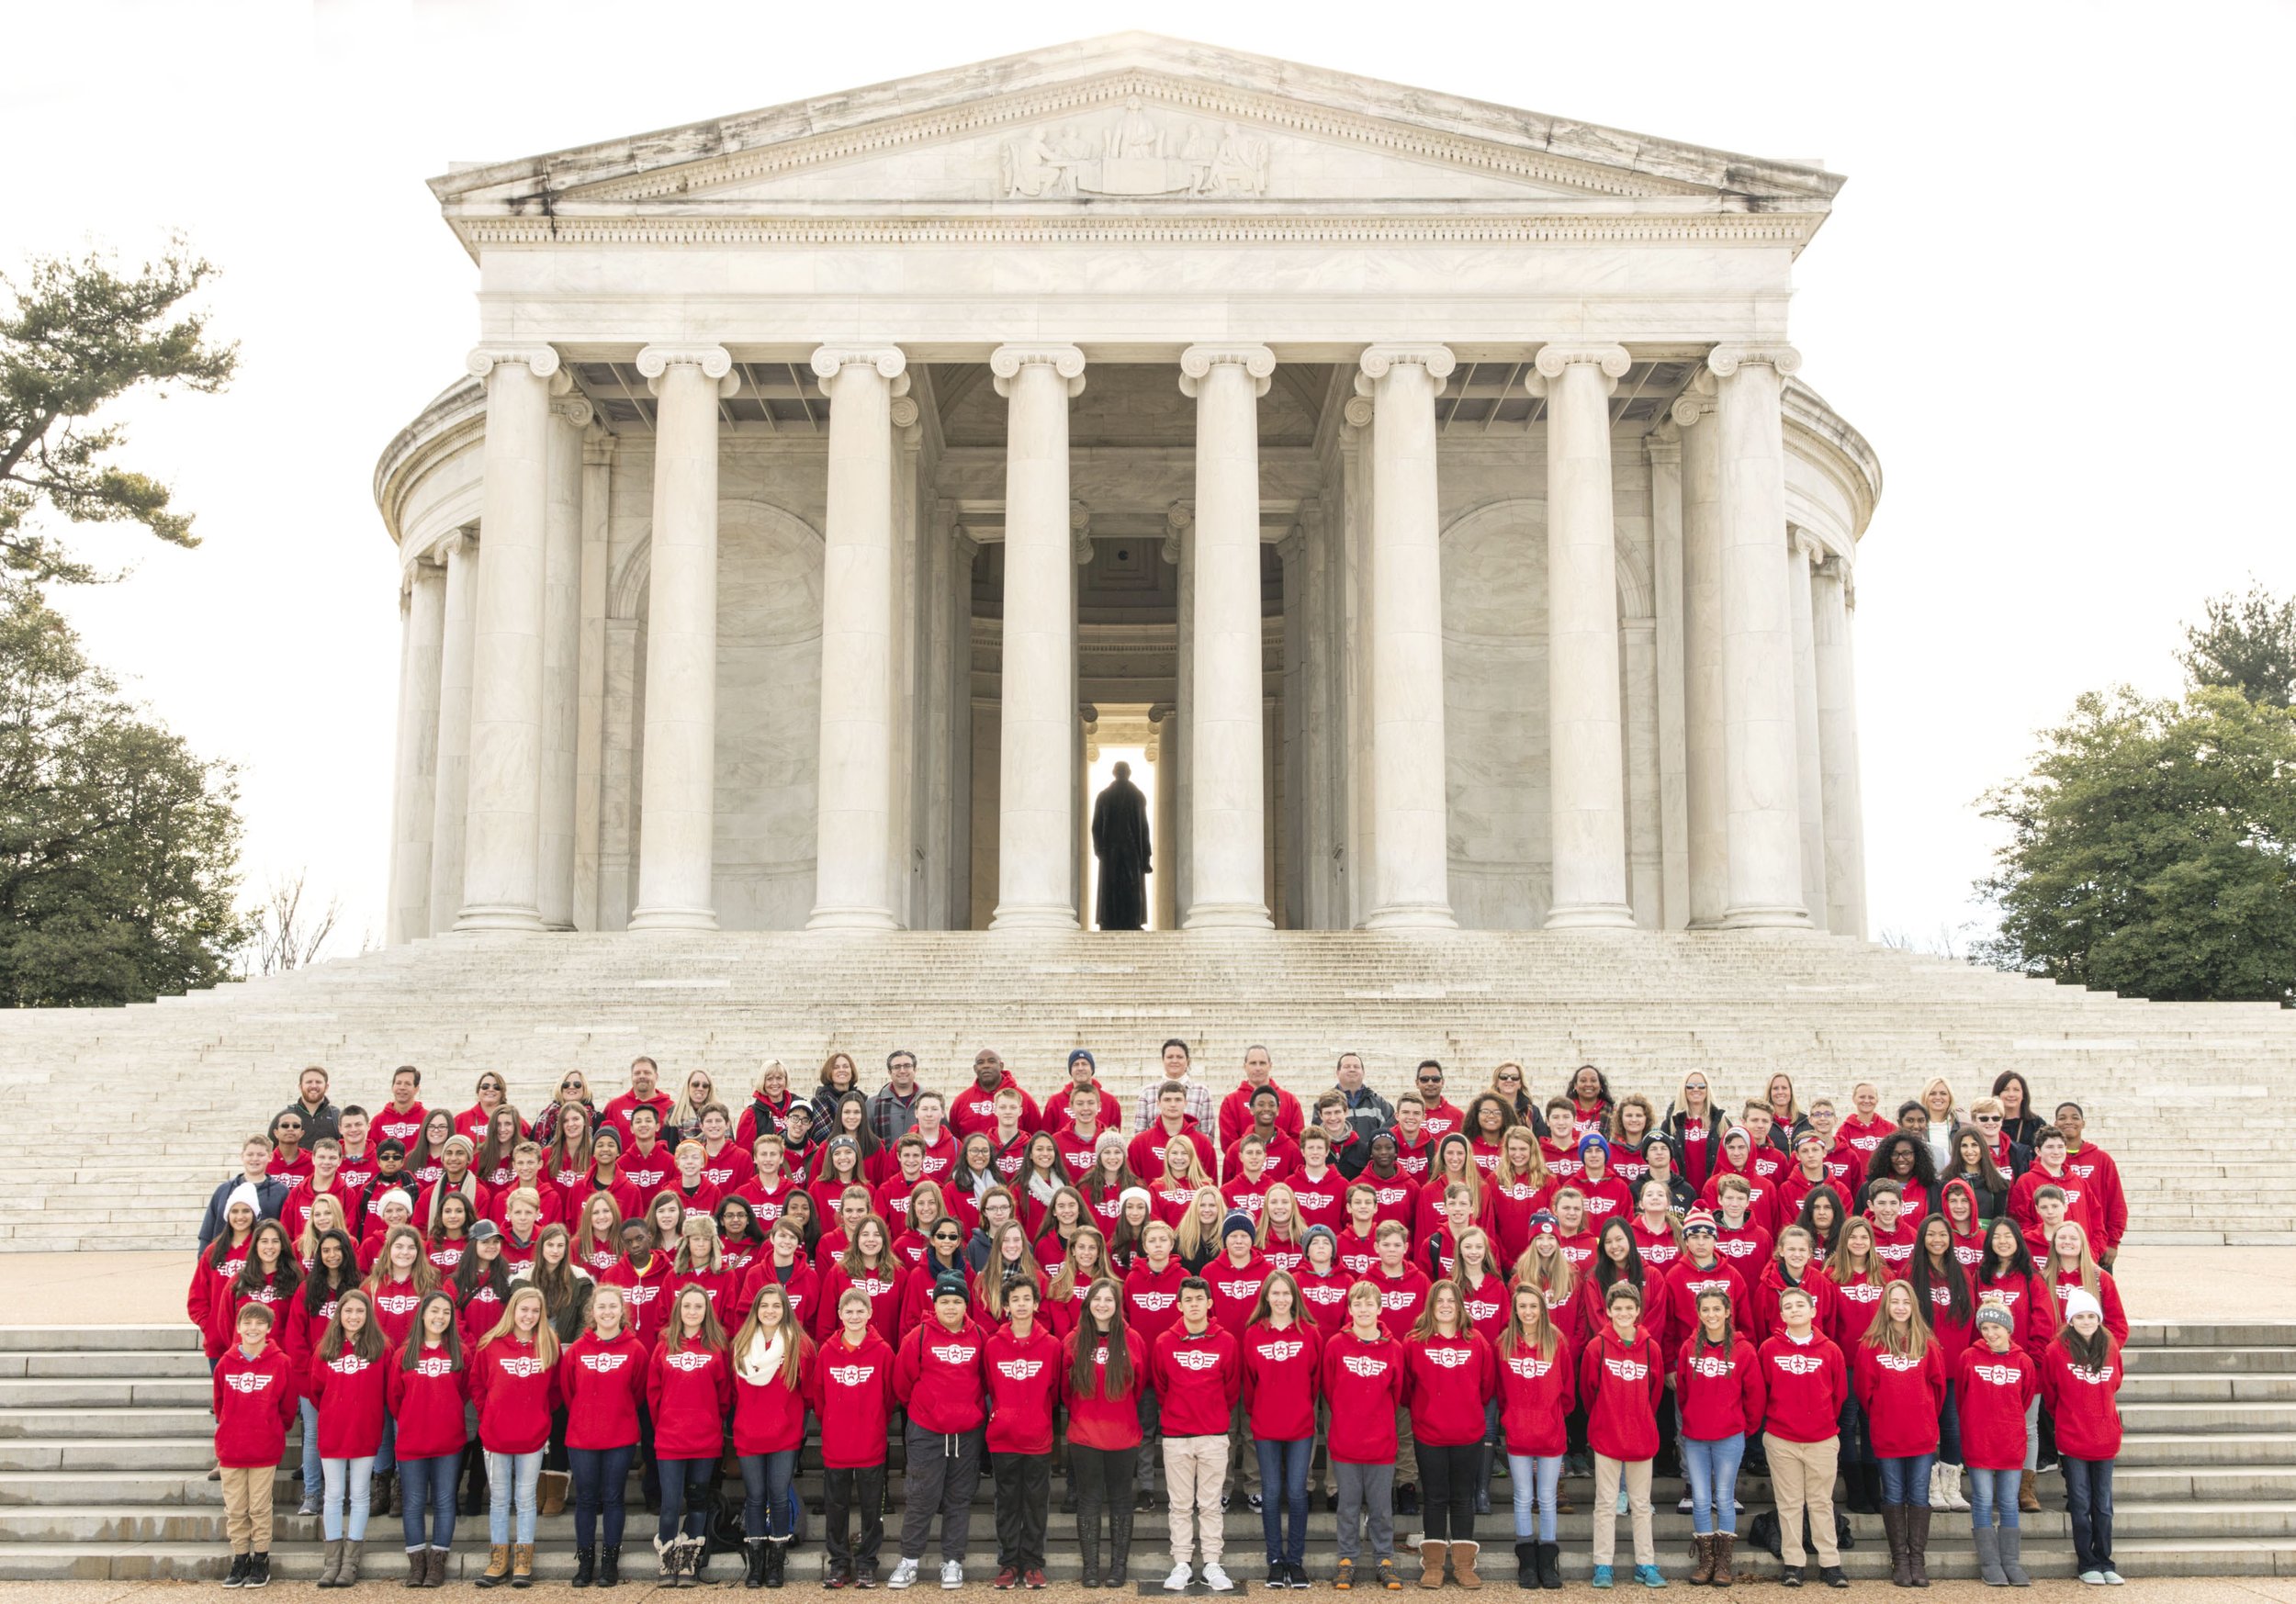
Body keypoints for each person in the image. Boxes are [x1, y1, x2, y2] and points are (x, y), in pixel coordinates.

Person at [889, 1276, 987, 1591]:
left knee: (959, 1499)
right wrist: (927, 1409)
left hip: (967, 1432)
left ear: (965, 1304)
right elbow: (903, 1384)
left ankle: (953, 1562)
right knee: (921, 1497)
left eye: (957, 1301)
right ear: (935, 1304)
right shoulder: (917, 1337)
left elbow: (986, 1380)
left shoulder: (980, 1336)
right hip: (927, 1429)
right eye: (945, 1301)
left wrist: (969, 1411)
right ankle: (909, 1561)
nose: (951, 1307)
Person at [1152, 1276, 1242, 1593]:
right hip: (1176, 1435)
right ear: (1179, 1305)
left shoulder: (1227, 1341)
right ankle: (1181, 1564)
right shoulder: (1164, 1342)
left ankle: (1212, 1563)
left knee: (1210, 1504)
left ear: (1209, 1303)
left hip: (1213, 1435)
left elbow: (1231, 1388)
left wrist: (1212, 1413)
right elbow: (1161, 1387)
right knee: (1179, 1505)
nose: (1193, 1304)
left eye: (1199, 1299)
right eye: (1188, 1299)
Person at [1405, 1280, 1497, 1587]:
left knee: (1462, 1498)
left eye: (1451, 1301)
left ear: (1460, 1306)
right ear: (1430, 1306)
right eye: (1439, 1301)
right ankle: (1432, 1565)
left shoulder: (1477, 1342)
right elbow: (1407, 1390)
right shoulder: (1415, 1342)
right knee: (1434, 1498)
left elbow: (1486, 1387)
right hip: (1429, 1434)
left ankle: (1463, 1565)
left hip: (1467, 1434)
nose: (1446, 1305)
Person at [1854, 1279, 1946, 1587]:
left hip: (1921, 1434)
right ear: (1885, 1305)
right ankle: (1900, 1558)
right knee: (1893, 1494)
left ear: (1914, 1306)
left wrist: (1924, 1415)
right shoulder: (1870, 1344)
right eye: (1895, 1301)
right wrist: (1882, 1413)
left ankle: (1917, 1558)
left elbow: (1938, 1387)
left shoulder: (1928, 1343)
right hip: (1887, 1433)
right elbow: (1864, 1390)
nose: (1900, 1307)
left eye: (1906, 1301)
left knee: (1919, 1495)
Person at [1760, 1282, 1850, 1589]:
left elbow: (1839, 1394)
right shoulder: (1769, 1349)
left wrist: (1822, 1424)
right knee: (1789, 1503)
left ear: (1813, 1310)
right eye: (1788, 1306)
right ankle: (1794, 1563)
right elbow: (1764, 1391)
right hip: (1782, 1438)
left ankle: (1830, 1563)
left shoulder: (1831, 1350)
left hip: (1822, 1439)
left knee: (1821, 1502)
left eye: (1800, 1305)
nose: (1794, 1310)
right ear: (1781, 1315)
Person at [558, 1282, 647, 1588]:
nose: (607, 1312)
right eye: (601, 1306)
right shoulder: (577, 1350)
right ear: (591, 1312)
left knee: (612, 1498)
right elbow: (569, 1391)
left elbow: (637, 1392)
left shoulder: (636, 1349)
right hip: (582, 1437)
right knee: (585, 1499)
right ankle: (585, 1562)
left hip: (619, 1436)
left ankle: (610, 1562)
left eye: (613, 1306)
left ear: (622, 1311)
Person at [469, 1285, 558, 1588]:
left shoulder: (548, 1343)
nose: (529, 1316)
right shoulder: (491, 1343)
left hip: (532, 1436)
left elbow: (556, 1391)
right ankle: (498, 1559)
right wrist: (489, 1414)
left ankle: (523, 1559)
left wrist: (540, 1414)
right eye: (524, 1309)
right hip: (496, 1436)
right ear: (513, 1310)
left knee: (525, 1498)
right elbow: (477, 1385)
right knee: (499, 1499)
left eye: (535, 1311)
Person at [1579, 1281, 1665, 1590]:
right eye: (1618, 1309)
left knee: (1641, 1504)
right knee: (1605, 1503)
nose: (1624, 1313)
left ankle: (1646, 1563)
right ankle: (1603, 1564)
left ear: (1638, 1311)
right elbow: (1589, 1392)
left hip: (1641, 1436)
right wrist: (1605, 1417)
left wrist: (1640, 1416)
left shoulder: (1651, 1347)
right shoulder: (1596, 1346)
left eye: (1630, 1308)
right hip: (1607, 1435)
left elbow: (1654, 1394)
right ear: (1609, 1311)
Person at [1322, 1280, 1407, 1591]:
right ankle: (1347, 1560)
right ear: (1349, 1309)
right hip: (1346, 1441)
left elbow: (1396, 1394)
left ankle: (1384, 1559)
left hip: (1381, 1443)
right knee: (1347, 1507)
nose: (1364, 1309)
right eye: (1357, 1304)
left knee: (1382, 1508)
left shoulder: (1394, 1349)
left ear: (1380, 1308)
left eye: (1369, 1304)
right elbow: (1330, 1389)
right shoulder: (1335, 1345)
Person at [1673, 1284, 1760, 1588]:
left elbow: (1755, 1396)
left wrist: (1741, 1426)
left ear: (1727, 1312)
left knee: (1724, 1496)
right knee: (1699, 1497)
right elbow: (1682, 1393)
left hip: (1729, 1436)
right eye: (1705, 1310)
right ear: (1698, 1314)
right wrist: (1695, 1419)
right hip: (1696, 1436)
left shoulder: (1744, 1349)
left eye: (1716, 1309)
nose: (1711, 1314)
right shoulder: (1688, 1349)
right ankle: (1706, 1560)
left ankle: (1724, 1562)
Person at [730, 1282, 815, 1589]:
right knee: (754, 1498)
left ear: (785, 1309)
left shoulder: (799, 1344)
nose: (770, 1311)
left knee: (779, 1497)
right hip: (748, 1433)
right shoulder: (740, 1344)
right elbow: (732, 1392)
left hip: (784, 1433)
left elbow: (807, 1394)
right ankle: (756, 1566)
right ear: (756, 1310)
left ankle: (777, 1565)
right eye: (764, 1305)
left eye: (776, 1306)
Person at [1241, 1270, 1321, 1588]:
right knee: (1271, 1493)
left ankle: (1296, 1561)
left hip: (1300, 1423)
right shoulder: (1253, 1334)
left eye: (1286, 1293)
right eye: (1275, 1293)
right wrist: (1260, 1408)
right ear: (1266, 1298)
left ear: (1295, 1297)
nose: (1281, 1299)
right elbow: (1249, 1381)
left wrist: (1301, 1404)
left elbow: (1315, 1379)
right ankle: (1275, 1560)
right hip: (1265, 1423)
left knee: (1298, 1493)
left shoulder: (1311, 1333)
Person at [648, 1284, 733, 1585]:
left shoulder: (716, 1346)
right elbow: (653, 1393)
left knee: (698, 1502)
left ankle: (688, 1562)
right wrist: (668, 1422)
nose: (693, 1311)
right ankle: (668, 1560)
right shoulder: (663, 1345)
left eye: (699, 1306)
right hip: (670, 1439)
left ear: (706, 1311)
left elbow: (724, 1394)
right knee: (671, 1504)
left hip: (705, 1439)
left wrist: (710, 1419)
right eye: (687, 1306)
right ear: (678, 1310)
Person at [2040, 1287, 2124, 1586]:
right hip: (2073, 1439)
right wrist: (2068, 1416)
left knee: (2103, 1505)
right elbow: (2050, 1394)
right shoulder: (2055, 1350)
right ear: (2070, 1320)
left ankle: (2105, 1561)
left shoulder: (2110, 1347)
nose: (2087, 1321)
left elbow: (2115, 1383)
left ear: (2099, 1319)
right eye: (2080, 1316)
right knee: (2080, 1502)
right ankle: (2086, 1563)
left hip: (2105, 1439)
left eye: (2092, 1316)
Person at [212, 1301, 298, 1589]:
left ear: (269, 1328)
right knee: (235, 1509)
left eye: (259, 1323)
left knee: (259, 1508)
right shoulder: (226, 1363)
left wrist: (273, 1429)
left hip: (264, 1446)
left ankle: (260, 1558)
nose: (253, 1328)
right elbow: (220, 1403)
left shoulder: (281, 1362)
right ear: (238, 1327)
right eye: (247, 1323)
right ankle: (240, 1558)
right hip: (232, 1448)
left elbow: (287, 1408)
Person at [388, 1290, 470, 1587]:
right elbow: (395, 1399)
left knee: (445, 1501)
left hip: (448, 1442)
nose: (440, 1317)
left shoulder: (460, 1352)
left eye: (446, 1313)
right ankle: (416, 1564)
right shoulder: (404, 1354)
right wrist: (415, 1418)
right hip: (412, 1442)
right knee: (412, 1503)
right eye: (434, 1311)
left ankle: (437, 1564)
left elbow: (463, 1393)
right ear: (422, 1314)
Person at [985, 1279, 1063, 1589]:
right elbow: (991, 1386)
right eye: (1014, 1299)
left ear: (1036, 1304)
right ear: (1005, 1306)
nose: (1020, 1304)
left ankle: (1032, 1563)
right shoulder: (993, 1344)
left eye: (1026, 1298)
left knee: (1034, 1503)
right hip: (1003, 1437)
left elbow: (1054, 1390)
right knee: (1007, 1503)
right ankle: (1008, 1564)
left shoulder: (1052, 1345)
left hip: (1037, 1438)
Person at [818, 1287, 898, 1589]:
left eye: (859, 1311)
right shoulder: (827, 1351)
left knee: (870, 1509)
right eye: (848, 1311)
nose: (854, 1316)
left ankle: (867, 1563)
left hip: (870, 1444)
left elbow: (889, 1396)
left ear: (870, 1313)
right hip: (837, 1444)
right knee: (835, 1507)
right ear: (840, 1315)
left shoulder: (882, 1351)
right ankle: (839, 1563)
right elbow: (819, 1395)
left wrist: (875, 1419)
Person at [310, 1287, 388, 1587]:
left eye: (360, 1311)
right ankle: (332, 1561)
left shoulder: (380, 1348)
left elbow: (386, 1389)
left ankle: (351, 1561)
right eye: (348, 1311)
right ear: (338, 1314)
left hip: (365, 1431)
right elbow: (317, 1391)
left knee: (359, 1495)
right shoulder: (326, 1349)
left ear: (368, 1316)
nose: (354, 1317)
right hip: (333, 1431)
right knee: (332, 1495)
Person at [1958, 1303, 2038, 1587]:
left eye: (1996, 1328)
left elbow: (2025, 1399)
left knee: (2007, 1502)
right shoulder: (1969, 1357)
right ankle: (1990, 1563)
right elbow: (1961, 1397)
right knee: (1981, 1500)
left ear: (2009, 1329)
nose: (1990, 1334)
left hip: (2011, 1442)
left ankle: (2011, 1562)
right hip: (1979, 1440)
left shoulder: (2023, 1362)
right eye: (1985, 1328)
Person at [1090, 758, 1153, 929]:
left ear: (1114, 773)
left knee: (1111, 885)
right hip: (1131, 847)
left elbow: (1096, 827)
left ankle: (1110, 921)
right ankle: (1132, 922)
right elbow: (1144, 828)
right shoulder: (1137, 796)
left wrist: (1099, 849)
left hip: (1111, 850)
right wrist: (1146, 856)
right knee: (1131, 885)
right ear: (1128, 773)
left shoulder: (1104, 796)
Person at [201, 1139, 289, 1249]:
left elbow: (286, 1232)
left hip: (263, 1258)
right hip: (225, 1258)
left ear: (270, 1157)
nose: (255, 1159)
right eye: (250, 1154)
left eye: (261, 1155)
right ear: (242, 1156)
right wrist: (202, 1257)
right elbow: (207, 1231)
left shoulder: (281, 1192)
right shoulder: (223, 1190)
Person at [1329, 1053, 1395, 1148]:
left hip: (1373, 1160)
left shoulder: (1380, 1104)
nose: (1352, 1069)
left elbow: (1390, 1134)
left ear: (1363, 1072)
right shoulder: (1325, 1104)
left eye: (1356, 1067)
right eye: (1347, 1066)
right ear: (1338, 1073)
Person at [866, 1049, 926, 1149]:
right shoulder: (872, 1105)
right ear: (889, 1071)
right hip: (885, 1162)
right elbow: (866, 1140)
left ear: (915, 1070)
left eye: (907, 1066)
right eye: (897, 1067)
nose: (902, 1071)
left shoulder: (930, 1102)